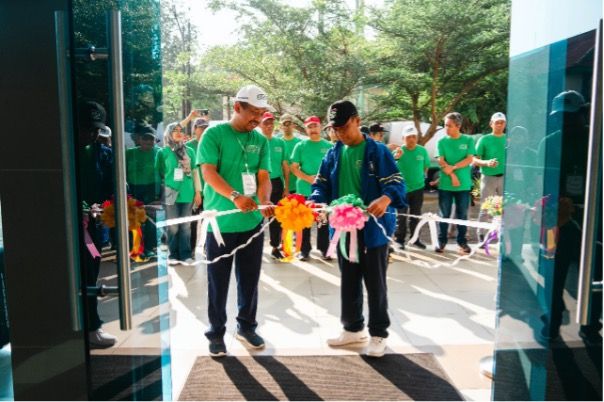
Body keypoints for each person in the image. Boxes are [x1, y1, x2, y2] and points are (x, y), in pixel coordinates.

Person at [309, 100, 406, 358]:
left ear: (356, 120)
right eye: (335, 129)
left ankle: (378, 334)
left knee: (376, 283)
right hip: (342, 229)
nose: (339, 133)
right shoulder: (332, 153)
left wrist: (385, 199)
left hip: (372, 230)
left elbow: (396, 183)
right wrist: (316, 202)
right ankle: (353, 329)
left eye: (343, 127)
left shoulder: (377, 151)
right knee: (349, 280)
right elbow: (320, 185)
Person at [198, 84, 275, 357]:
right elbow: (208, 172)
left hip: (251, 224)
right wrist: (234, 196)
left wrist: (264, 200)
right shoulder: (214, 134)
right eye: (253, 112)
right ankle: (216, 332)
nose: (258, 118)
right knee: (218, 282)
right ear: (237, 107)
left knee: (250, 280)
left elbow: (264, 176)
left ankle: (246, 327)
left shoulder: (261, 140)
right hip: (221, 224)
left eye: (262, 113)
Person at [77, 101, 117, 348]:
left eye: (95, 130)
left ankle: (93, 326)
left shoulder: (104, 154)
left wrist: (106, 207)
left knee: (91, 274)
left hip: (93, 227)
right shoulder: (62, 151)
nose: (91, 134)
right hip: (69, 226)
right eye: (86, 129)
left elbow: (112, 186)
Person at [155, 122, 201, 265]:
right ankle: (173, 254)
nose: (178, 132)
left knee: (186, 226)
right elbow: (160, 172)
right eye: (175, 130)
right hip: (170, 192)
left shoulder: (190, 151)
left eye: (181, 130)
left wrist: (198, 192)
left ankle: (186, 254)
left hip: (188, 192)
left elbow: (195, 172)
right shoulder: (163, 152)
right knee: (173, 226)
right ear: (169, 133)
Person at [291, 116, 333, 261]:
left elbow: (333, 168)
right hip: (304, 189)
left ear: (320, 127)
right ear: (306, 129)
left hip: (322, 191)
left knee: (322, 221)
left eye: (315, 126)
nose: (313, 129)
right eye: (309, 127)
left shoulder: (328, 146)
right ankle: (304, 250)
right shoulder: (300, 146)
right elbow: (294, 168)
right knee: (304, 222)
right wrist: (308, 178)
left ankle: (324, 248)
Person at [435, 112, 476, 254]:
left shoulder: (468, 140)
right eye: (445, 125)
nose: (446, 128)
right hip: (446, 184)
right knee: (443, 214)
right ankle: (441, 241)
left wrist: (453, 167)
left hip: (463, 185)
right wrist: (453, 175)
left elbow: (469, 159)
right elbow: (441, 161)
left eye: (449, 126)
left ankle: (462, 242)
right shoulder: (441, 142)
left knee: (462, 215)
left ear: (458, 126)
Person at [126, 123, 161, 256]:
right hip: (135, 189)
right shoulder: (129, 153)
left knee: (151, 219)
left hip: (153, 189)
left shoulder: (159, 152)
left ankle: (150, 247)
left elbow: (166, 173)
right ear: (139, 139)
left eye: (151, 138)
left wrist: (163, 195)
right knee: (135, 219)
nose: (148, 141)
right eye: (145, 138)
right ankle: (136, 248)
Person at [259, 111, 290, 259]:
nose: (269, 126)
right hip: (260, 183)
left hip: (276, 182)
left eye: (271, 123)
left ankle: (275, 246)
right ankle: (254, 246)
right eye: (266, 123)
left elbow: (285, 166)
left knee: (276, 217)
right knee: (257, 215)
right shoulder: (257, 140)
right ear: (260, 124)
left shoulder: (280, 142)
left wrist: (287, 188)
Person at [394, 125, 430, 249]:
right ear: (403, 138)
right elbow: (391, 167)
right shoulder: (399, 151)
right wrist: (396, 157)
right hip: (402, 189)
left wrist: (420, 178)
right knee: (401, 216)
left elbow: (426, 167)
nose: (412, 139)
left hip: (418, 189)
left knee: (416, 215)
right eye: (409, 137)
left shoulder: (422, 150)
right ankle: (399, 240)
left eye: (414, 136)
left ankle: (415, 239)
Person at [474, 112, 507, 242]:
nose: (499, 125)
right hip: (488, 178)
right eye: (497, 122)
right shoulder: (484, 139)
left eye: (502, 122)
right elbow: (474, 159)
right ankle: (481, 235)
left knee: (502, 208)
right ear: (491, 124)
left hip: (504, 178)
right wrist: (487, 163)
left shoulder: (508, 139)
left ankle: (501, 237)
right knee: (486, 207)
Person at [188, 117, 209, 253]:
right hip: (194, 191)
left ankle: (208, 248)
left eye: (206, 127)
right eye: (201, 127)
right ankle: (190, 249)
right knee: (193, 222)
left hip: (209, 190)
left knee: (208, 221)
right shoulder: (189, 146)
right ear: (194, 129)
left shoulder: (212, 143)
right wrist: (196, 191)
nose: (203, 130)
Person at [280, 113, 301, 195]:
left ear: (293, 125)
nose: (287, 127)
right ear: (280, 126)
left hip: (297, 186)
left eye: (289, 124)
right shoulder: (278, 142)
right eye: (284, 124)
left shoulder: (300, 143)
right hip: (282, 187)